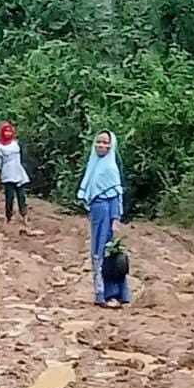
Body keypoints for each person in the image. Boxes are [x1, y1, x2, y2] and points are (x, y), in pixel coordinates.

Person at [77, 130, 130, 307]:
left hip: (107, 213)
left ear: (111, 145)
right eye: (99, 142)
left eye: (106, 143)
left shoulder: (110, 167)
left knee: (107, 252)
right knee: (98, 251)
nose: (101, 146)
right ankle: (101, 293)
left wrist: (115, 219)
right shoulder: (94, 164)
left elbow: (116, 195)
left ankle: (111, 294)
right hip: (97, 212)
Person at [0, 121, 30, 225]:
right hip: (7, 173)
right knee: (10, 196)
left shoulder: (16, 144)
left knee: (21, 195)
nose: (8, 134)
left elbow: (22, 157)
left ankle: (24, 216)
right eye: (6, 131)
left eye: (9, 131)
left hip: (18, 171)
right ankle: (9, 217)